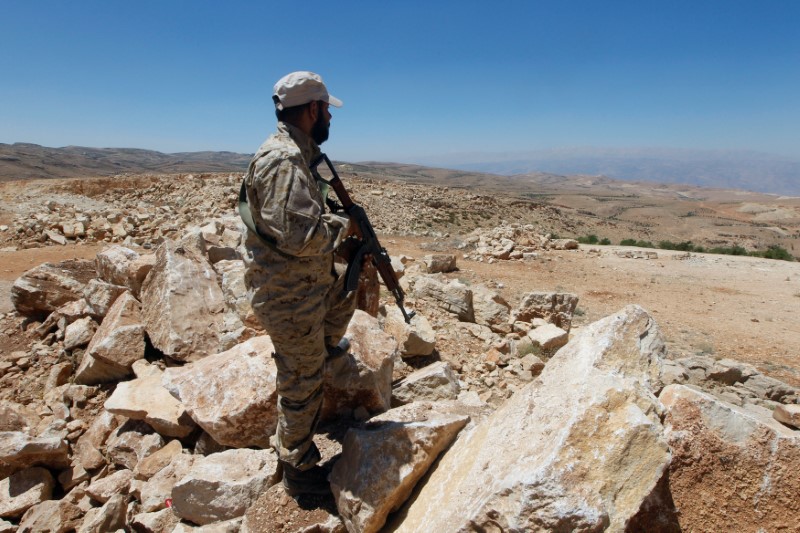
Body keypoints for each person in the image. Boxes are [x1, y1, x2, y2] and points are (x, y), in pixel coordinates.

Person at [240, 71, 359, 496]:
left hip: (305, 281)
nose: (330, 117)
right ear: (312, 110)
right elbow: (302, 237)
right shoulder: (284, 162)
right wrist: (345, 226)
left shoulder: (299, 154)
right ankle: (297, 465)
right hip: (288, 292)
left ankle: (321, 348)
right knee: (301, 379)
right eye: (327, 109)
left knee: (348, 283)